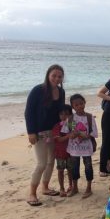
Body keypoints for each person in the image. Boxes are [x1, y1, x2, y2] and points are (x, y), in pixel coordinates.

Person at [25, 64, 66, 206]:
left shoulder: (61, 92)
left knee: (51, 162)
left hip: (53, 132)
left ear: (62, 78)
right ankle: (32, 193)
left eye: (59, 76)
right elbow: (29, 111)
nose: (56, 78)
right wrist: (31, 132)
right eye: (54, 75)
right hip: (39, 132)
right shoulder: (38, 90)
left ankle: (45, 187)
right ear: (48, 75)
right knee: (41, 163)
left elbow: (61, 112)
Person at [62, 94, 98, 198]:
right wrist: (73, 135)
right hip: (74, 149)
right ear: (73, 107)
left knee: (88, 167)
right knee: (74, 168)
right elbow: (69, 132)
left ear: (85, 103)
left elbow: (93, 133)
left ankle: (89, 187)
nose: (79, 106)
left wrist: (83, 135)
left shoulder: (89, 117)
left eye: (81, 103)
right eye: (76, 105)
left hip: (86, 148)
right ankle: (75, 187)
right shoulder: (72, 118)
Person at [51, 104, 73, 197]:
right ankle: (62, 188)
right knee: (60, 170)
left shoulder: (72, 124)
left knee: (70, 170)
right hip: (60, 152)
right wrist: (69, 135)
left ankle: (71, 186)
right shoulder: (56, 126)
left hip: (71, 152)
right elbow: (58, 139)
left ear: (71, 115)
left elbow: (77, 134)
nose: (64, 117)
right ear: (59, 115)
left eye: (67, 114)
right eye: (62, 114)